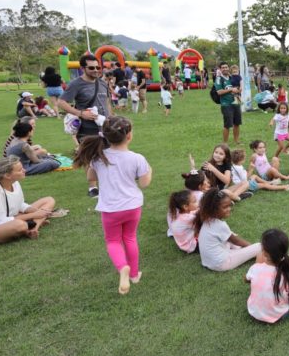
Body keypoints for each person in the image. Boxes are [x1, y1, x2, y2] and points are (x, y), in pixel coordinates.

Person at [73, 116, 152, 294]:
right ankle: (133, 274)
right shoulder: (137, 158)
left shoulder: (98, 158)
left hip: (110, 209)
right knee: (130, 237)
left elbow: (90, 178)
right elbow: (145, 183)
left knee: (113, 240)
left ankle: (122, 267)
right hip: (133, 206)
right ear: (129, 135)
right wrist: (150, 171)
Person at [0, 156, 57, 246]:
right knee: (20, 225)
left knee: (49, 200)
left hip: (9, 217)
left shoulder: (15, 183)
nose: (24, 170)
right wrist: (34, 215)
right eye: (20, 170)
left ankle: (34, 228)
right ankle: (31, 225)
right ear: (7, 175)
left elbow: (20, 205)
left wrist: (39, 212)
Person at [57, 53, 113, 197]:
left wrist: (111, 118)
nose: (96, 70)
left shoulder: (102, 82)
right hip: (88, 127)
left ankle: (108, 182)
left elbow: (107, 101)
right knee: (91, 157)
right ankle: (92, 187)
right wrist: (81, 113)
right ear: (83, 68)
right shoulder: (76, 84)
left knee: (109, 154)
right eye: (91, 67)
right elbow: (61, 102)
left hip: (105, 126)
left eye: (98, 67)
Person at [245, 228, 289, 324]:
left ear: (264, 253)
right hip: (279, 315)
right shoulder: (288, 272)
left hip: (254, 312)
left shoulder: (255, 268)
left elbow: (246, 280)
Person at [196, 188, 261, 272]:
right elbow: (237, 241)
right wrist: (252, 248)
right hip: (222, 263)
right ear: (213, 209)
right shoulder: (220, 225)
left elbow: (232, 239)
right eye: (225, 207)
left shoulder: (207, 220)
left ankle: (241, 251)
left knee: (231, 237)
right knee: (259, 246)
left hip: (209, 262)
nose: (229, 209)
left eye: (230, 205)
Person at [215, 62, 242, 145]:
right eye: (223, 67)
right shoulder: (219, 79)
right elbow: (219, 92)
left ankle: (236, 141)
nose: (225, 69)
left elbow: (239, 86)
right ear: (220, 69)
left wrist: (239, 90)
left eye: (226, 67)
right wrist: (231, 90)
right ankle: (225, 143)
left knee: (237, 123)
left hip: (236, 103)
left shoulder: (232, 77)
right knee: (227, 125)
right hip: (226, 104)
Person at [167, 190, 199, 254]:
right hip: (191, 246)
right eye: (194, 201)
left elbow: (195, 212)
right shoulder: (188, 219)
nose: (197, 203)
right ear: (185, 207)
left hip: (182, 244)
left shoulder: (178, 213)